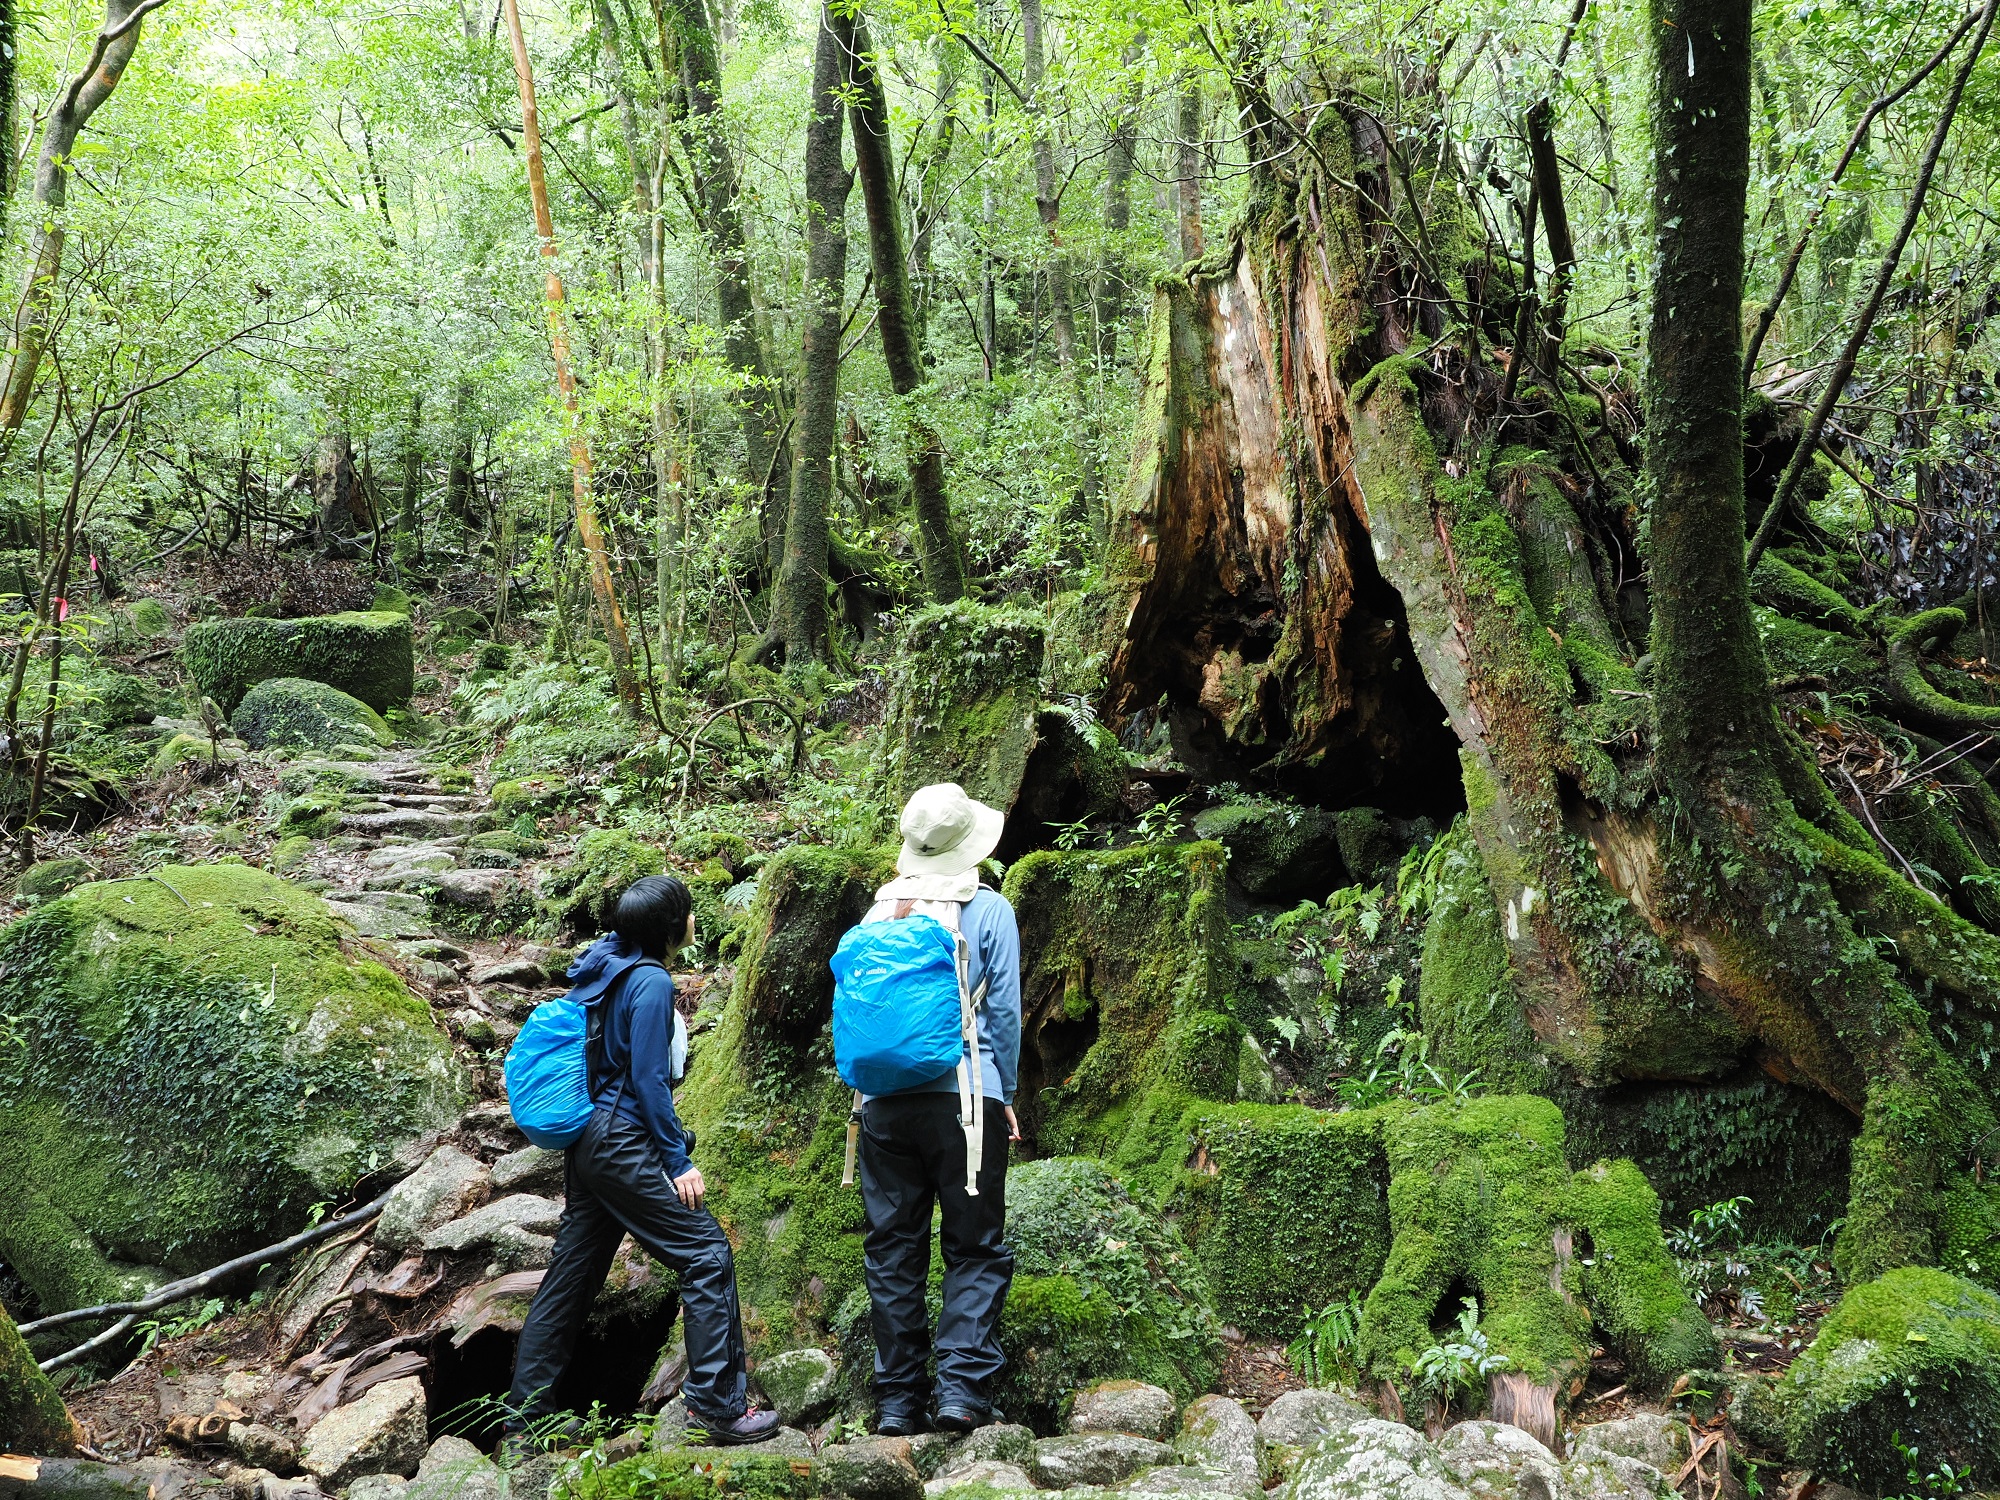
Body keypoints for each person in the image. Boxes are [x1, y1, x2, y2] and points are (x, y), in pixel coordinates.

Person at [505, 875, 778, 1447]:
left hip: (588, 1142)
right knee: (705, 1253)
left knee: (570, 1279)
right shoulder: (652, 981)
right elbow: (650, 1080)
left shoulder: (605, 962)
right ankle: (718, 1406)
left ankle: (526, 1421)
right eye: (690, 913)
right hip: (622, 1139)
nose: (695, 920)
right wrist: (678, 1161)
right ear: (674, 927)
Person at [855, 783, 1023, 1436]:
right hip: (966, 1104)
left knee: (893, 1253)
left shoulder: (875, 916)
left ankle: (898, 1402)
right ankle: (960, 1395)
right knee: (973, 1248)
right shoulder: (989, 910)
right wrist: (1001, 1091)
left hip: (882, 1109)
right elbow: (1003, 1011)